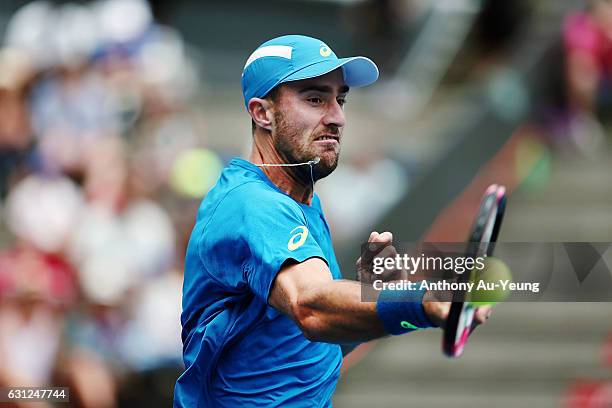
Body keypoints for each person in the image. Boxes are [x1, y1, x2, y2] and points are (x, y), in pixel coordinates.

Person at [173, 34, 491, 407]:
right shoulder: (253, 205)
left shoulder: (301, 202)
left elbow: (323, 340)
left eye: (339, 99)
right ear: (262, 113)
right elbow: (312, 307)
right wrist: (422, 300)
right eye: (315, 98)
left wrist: (376, 298)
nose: (337, 117)